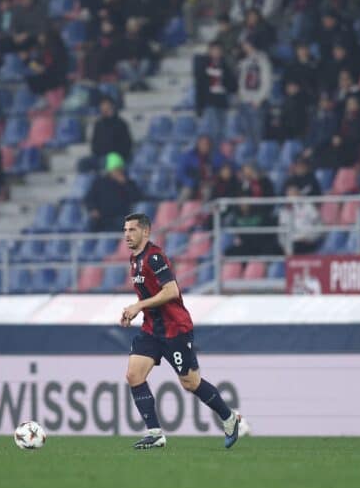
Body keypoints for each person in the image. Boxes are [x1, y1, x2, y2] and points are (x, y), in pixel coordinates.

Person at [119, 212, 243, 449]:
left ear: (146, 231)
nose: (127, 235)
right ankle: (155, 433)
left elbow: (171, 291)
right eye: (125, 230)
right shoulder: (134, 260)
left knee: (190, 382)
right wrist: (134, 311)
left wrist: (138, 306)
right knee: (134, 375)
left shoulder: (154, 257)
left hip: (175, 328)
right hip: (151, 330)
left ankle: (228, 417)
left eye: (132, 230)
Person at [84, 152, 141, 232]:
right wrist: (92, 209)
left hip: (120, 217)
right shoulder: (99, 182)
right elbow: (89, 198)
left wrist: (125, 184)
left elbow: (136, 198)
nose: (118, 171)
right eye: (115, 169)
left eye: (119, 169)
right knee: (90, 225)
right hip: (101, 218)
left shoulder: (129, 183)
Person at [89, 96, 132, 168]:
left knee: (108, 160)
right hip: (101, 156)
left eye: (106, 106)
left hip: (117, 156)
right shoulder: (98, 124)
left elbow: (127, 144)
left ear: (112, 106)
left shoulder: (121, 124)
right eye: (102, 106)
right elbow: (94, 143)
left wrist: (115, 154)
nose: (104, 108)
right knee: (83, 163)